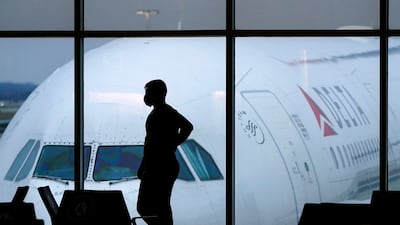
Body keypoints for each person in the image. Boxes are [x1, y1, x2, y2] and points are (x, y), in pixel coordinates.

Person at [137, 79, 193, 225]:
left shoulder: (166, 112)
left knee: (152, 207)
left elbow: (188, 126)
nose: (146, 96)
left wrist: (172, 143)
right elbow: (188, 127)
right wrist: (173, 143)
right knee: (156, 206)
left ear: (158, 94)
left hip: (160, 166)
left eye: (148, 92)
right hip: (160, 164)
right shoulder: (163, 112)